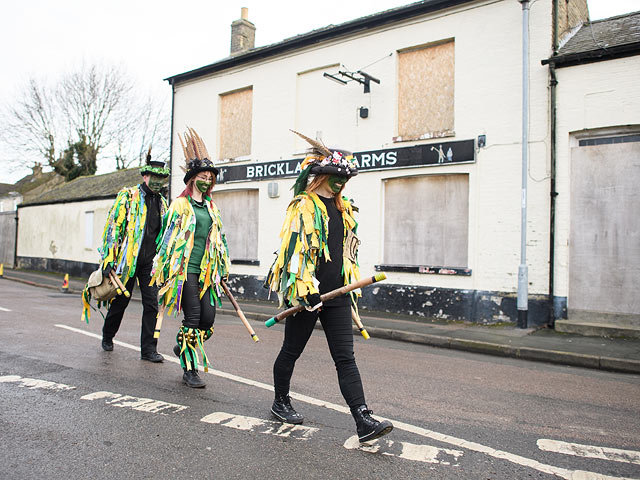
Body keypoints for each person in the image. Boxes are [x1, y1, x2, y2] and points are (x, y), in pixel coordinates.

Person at [265, 131, 393, 443]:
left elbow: (346, 251)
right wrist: (305, 287)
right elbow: (293, 252)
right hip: (307, 295)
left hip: (337, 295)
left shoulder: (343, 208)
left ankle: (363, 419)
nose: (340, 183)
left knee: (345, 357)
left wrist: (348, 283)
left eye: (344, 179)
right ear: (320, 174)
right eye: (336, 176)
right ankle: (280, 401)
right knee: (291, 351)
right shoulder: (303, 206)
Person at [150, 128, 230, 388]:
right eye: (203, 177)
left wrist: (223, 267)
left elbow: (219, 240)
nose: (207, 181)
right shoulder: (180, 205)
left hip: (206, 272)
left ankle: (183, 345)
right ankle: (190, 369)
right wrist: (164, 270)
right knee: (193, 318)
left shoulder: (212, 208)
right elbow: (166, 241)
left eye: (210, 178)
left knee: (208, 320)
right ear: (192, 179)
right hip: (184, 272)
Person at [97, 148, 169, 362]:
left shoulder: (163, 204)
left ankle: (148, 350)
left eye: (161, 178)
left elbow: (165, 235)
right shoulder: (127, 196)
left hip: (149, 264)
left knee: (152, 305)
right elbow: (113, 228)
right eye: (154, 177)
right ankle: (108, 335)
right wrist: (109, 259)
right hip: (127, 261)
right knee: (120, 302)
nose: (157, 182)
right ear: (145, 176)